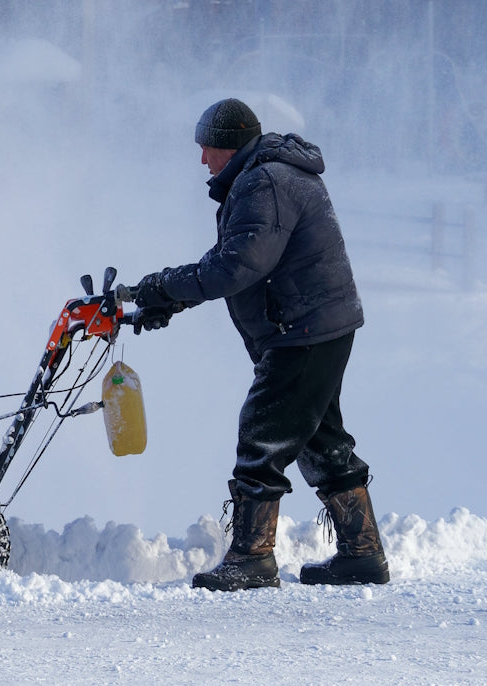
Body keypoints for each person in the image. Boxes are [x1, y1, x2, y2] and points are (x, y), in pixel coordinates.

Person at [128, 98, 389, 591]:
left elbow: (236, 266)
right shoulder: (265, 176)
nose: (202, 158)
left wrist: (163, 286)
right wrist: (169, 299)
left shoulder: (265, 181)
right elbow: (236, 259)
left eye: (207, 147)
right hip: (314, 326)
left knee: (262, 433)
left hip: (303, 331)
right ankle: (362, 553)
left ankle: (252, 556)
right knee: (321, 440)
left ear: (231, 145)